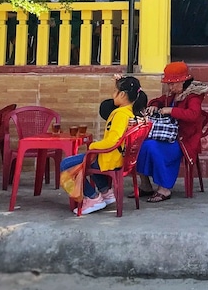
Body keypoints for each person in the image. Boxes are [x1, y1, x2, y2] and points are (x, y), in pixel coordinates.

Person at [61, 75, 148, 216]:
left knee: (66, 165)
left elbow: (113, 141)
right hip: (120, 158)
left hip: (110, 159)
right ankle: (106, 193)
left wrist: (93, 146)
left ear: (122, 94)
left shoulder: (121, 114)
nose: (112, 95)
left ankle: (92, 198)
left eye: (115, 91)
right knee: (89, 158)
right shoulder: (131, 112)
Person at [137, 61, 208, 202]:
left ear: (183, 81)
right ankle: (145, 185)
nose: (170, 87)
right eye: (169, 84)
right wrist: (154, 105)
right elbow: (159, 100)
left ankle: (164, 189)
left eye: (173, 84)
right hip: (169, 136)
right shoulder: (173, 94)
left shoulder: (193, 96)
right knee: (139, 145)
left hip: (184, 140)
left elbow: (193, 115)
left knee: (153, 148)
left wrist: (171, 110)